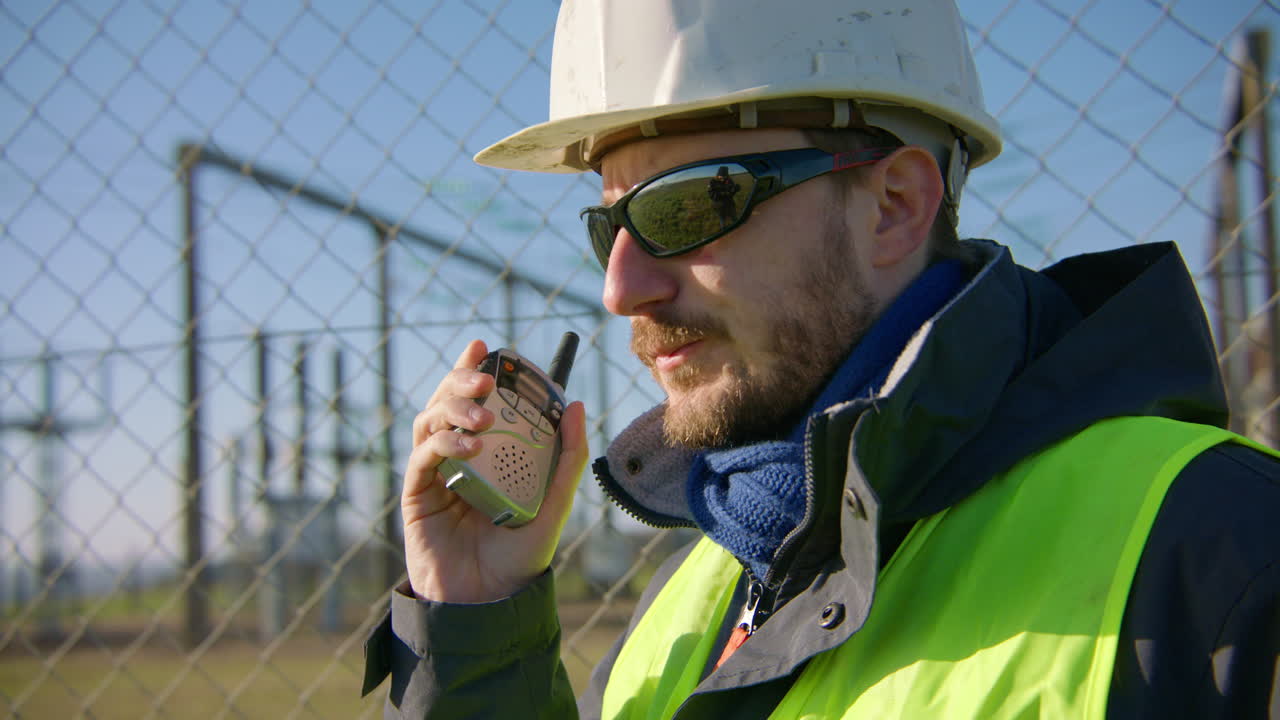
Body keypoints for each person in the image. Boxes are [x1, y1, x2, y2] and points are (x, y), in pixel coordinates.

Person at [362, 0, 1280, 717]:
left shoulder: (1222, 557)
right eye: (609, 225)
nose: (621, 287)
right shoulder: (701, 597)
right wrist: (475, 625)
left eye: (684, 208)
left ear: (893, 206)